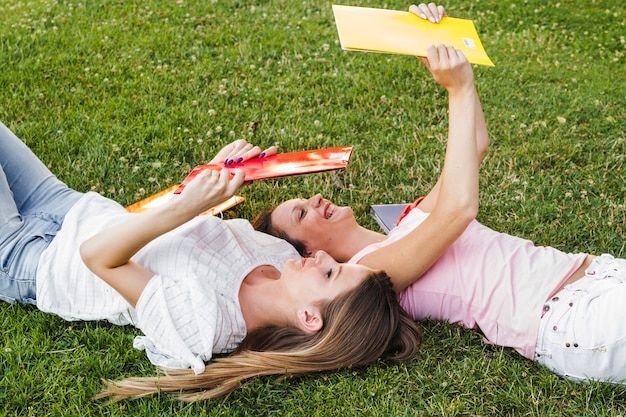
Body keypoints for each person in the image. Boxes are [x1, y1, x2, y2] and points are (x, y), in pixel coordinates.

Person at [253, 4, 626, 387]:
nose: (314, 200)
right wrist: (458, 87)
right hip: (573, 318)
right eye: (301, 215)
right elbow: (459, 208)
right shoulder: (372, 273)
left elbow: (475, 146)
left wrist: (431, 49)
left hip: (599, 276)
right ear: (308, 253)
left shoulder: (407, 223)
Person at [0, 122, 421, 402]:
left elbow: (98, 259)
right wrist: (215, 172)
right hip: (74, 207)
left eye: (332, 272)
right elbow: (176, 233)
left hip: (32, 257)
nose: (324, 256)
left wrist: (189, 205)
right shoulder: (278, 255)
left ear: (310, 318)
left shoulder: (206, 324)